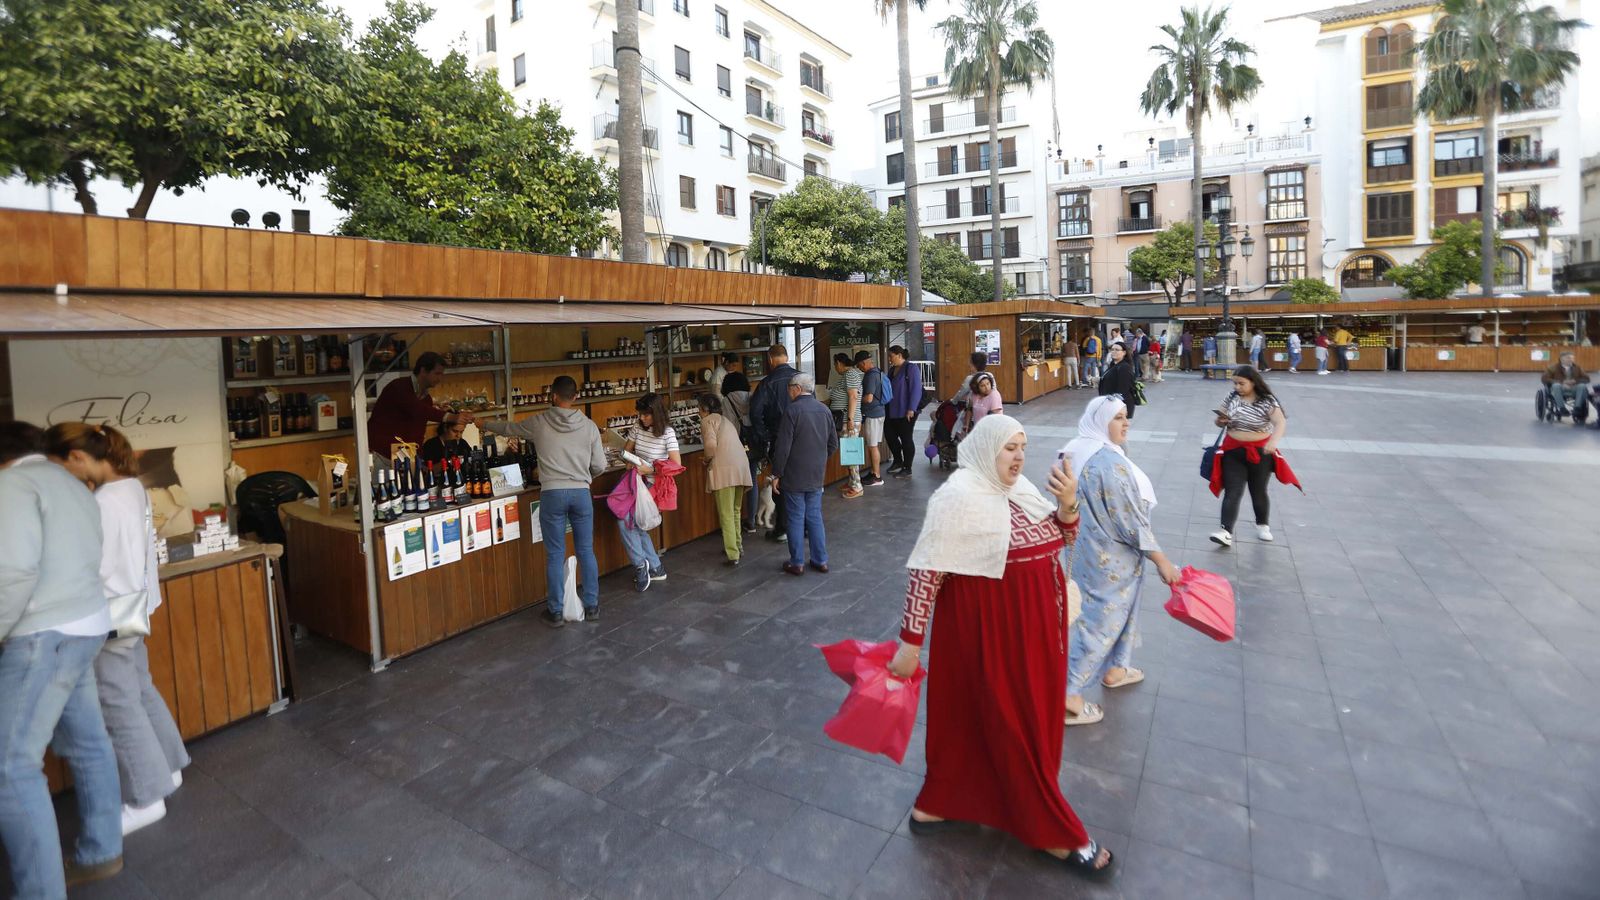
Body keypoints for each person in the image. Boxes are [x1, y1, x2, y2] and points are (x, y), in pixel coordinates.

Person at [886, 415, 1116, 880]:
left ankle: (939, 803)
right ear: (987, 447)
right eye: (1009, 448)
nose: (1018, 457)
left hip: (1032, 634)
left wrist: (1068, 505)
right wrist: (910, 644)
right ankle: (1050, 829)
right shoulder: (956, 498)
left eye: (1023, 448)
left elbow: (1059, 538)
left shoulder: (1021, 492)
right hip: (988, 637)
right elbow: (927, 571)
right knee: (1015, 726)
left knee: (985, 722)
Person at [45, 424, 189, 838]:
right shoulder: (131, 487)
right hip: (135, 608)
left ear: (76, 457)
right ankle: (169, 767)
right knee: (139, 689)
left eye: (61, 466)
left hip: (108, 616)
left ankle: (146, 798)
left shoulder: (101, 502)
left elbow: (97, 568)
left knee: (118, 704)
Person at [0, 422, 124, 896]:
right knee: (89, 742)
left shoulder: (13, 484)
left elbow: (12, 570)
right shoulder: (71, 484)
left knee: (11, 767)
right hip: (88, 625)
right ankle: (102, 850)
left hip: (42, 634)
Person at [1061, 397, 1181, 726]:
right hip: (1110, 559)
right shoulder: (1106, 463)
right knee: (1100, 622)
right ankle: (1069, 694)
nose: (1125, 424)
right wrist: (1162, 560)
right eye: (1117, 418)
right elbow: (1130, 521)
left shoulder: (1076, 448)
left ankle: (1116, 668)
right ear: (1101, 421)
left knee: (1115, 615)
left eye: (1126, 417)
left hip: (1082, 549)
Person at [482, 375, 607, 624]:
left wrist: (483, 423)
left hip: (552, 494)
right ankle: (592, 606)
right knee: (585, 550)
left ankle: (556, 611)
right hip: (581, 493)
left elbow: (509, 428)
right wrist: (584, 477)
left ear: (552, 396)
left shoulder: (539, 423)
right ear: (576, 397)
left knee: (554, 553)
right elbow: (600, 465)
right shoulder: (590, 426)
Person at [1209, 366, 1298, 548]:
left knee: (1258, 490)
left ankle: (1262, 525)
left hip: (1260, 452)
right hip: (1233, 451)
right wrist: (1220, 421)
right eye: (1235, 383)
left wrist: (1273, 442)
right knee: (1233, 491)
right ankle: (1225, 531)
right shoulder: (1232, 397)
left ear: (1253, 382)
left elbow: (1280, 422)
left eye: (1241, 383)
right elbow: (1219, 420)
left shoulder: (1267, 401)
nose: (1237, 387)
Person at [770, 374, 836, 576]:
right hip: (816, 473)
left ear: (797, 388)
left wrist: (777, 474)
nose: (789, 391)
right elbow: (833, 444)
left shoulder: (792, 411)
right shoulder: (824, 410)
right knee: (815, 516)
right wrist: (819, 459)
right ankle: (820, 560)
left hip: (794, 474)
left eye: (790, 387)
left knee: (796, 517)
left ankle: (797, 562)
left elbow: (783, 447)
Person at [618, 393, 681, 590]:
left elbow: (676, 465)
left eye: (647, 415)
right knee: (635, 524)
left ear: (657, 413)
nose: (643, 418)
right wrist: (628, 461)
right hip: (635, 482)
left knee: (627, 521)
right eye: (641, 414)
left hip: (653, 485)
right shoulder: (637, 427)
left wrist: (651, 470)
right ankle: (654, 567)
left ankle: (640, 565)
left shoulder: (668, 433)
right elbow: (626, 450)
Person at [366, 351, 473, 463]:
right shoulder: (399, 387)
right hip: (381, 453)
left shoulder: (426, 399)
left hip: (404, 454)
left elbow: (419, 431)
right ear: (423, 371)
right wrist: (450, 417)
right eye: (437, 373)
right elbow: (416, 409)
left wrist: (419, 459)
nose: (440, 378)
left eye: (441, 374)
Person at [750, 345, 800, 543]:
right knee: (801, 482)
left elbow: (755, 413)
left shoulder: (766, 383)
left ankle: (782, 528)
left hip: (778, 440)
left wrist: (766, 436)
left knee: (779, 482)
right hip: (801, 438)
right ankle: (802, 526)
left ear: (770, 359)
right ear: (786, 357)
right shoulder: (802, 379)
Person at [697, 393, 753, 568]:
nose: (698, 412)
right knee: (735, 510)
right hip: (740, 467)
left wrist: (706, 460)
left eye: (699, 409)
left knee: (726, 514)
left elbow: (711, 448)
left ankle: (732, 554)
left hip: (724, 470)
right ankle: (738, 545)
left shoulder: (707, 421)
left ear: (705, 409)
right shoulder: (725, 420)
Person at [827, 353, 864, 500]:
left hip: (850, 421)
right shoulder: (849, 374)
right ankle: (851, 481)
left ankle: (857, 486)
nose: (836, 368)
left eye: (835, 365)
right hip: (847, 421)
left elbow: (853, 396)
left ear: (840, 363)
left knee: (852, 453)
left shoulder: (850, 374)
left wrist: (849, 419)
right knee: (849, 452)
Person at [883, 345, 923, 477]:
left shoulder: (911, 368)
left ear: (899, 355)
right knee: (890, 435)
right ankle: (898, 460)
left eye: (891, 356)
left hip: (906, 410)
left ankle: (907, 467)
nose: (889, 359)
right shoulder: (892, 370)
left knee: (906, 438)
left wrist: (911, 408)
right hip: (891, 409)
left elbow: (916, 389)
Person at [857, 351, 888, 487]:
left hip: (873, 415)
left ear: (864, 363)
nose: (859, 368)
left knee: (872, 446)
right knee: (873, 445)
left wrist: (856, 399)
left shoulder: (870, 376)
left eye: (859, 366)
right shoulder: (878, 372)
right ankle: (873, 472)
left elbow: (869, 398)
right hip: (879, 412)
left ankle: (877, 476)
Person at [1097, 342, 1139, 420]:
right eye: (1112, 349)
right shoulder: (1114, 365)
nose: (1113, 351)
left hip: (1118, 406)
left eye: (1117, 350)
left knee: (1115, 431)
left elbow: (1123, 390)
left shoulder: (1124, 367)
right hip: (1111, 404)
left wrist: (1114, 406)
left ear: (1124, 352)